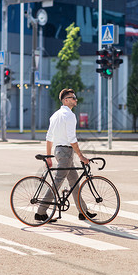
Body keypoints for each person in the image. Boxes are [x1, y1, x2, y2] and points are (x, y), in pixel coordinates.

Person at [36, 88, 96, 222]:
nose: (76, 99)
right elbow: (72, 139)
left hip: (58, 151)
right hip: (66, 151)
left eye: (75, 97)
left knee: (74, 181)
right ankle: (40, 212)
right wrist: (81, 156)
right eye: (73, 97)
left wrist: (49, 156)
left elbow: (49, 137)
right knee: (58, 181)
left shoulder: (55, 115)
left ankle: (83, 211)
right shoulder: (69, 115)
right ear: (66, 100)